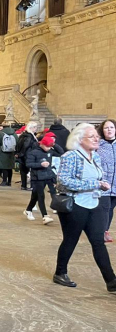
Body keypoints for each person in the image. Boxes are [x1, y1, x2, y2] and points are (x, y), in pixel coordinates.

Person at [53, 123, 116, 293]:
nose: (97, 138)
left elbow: (98, 176)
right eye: (92, 136)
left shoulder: (95, 157)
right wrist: (94, 184)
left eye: (97, 136)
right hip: (75, 205)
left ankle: (111, 281)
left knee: (98, 242)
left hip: (94, 203)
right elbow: (63, 181)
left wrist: (101, 184)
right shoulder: (70, 156)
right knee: (70, 240)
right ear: (80, 140)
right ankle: (60, 272)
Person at [24, 133, 59, 225]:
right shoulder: (33, 152)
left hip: (49, 176)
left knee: (38, 195)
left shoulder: (50, 151)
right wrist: (40, 165)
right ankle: (45, 216)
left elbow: (61, 153)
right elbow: (28, 164)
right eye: (47, 146)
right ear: (41, 144)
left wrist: (54, 144)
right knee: (40, 196)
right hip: (37, 177)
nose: (48, 149)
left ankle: (28, 209)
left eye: (50, 147)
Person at [96, 119, 116, 243]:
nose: (109, 130)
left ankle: (105, 230)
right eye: (106, 128)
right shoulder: (98, 145)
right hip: (103, 184)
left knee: (111, 208)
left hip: (115, 184)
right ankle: (102, 231)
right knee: (104, 208)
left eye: (111, 127)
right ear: (102, 130)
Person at [17, 121, 39, 190]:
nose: (36, 129)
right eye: (35, 127)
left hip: (24, 156)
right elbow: (26, 146)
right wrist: (22, 154)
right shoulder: (30, 136)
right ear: (31, 128)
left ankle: (23, 185)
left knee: (23, 171)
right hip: (28, 155)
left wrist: (19, 154)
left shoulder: (23, 135)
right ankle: (31, 186)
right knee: (31, 171)